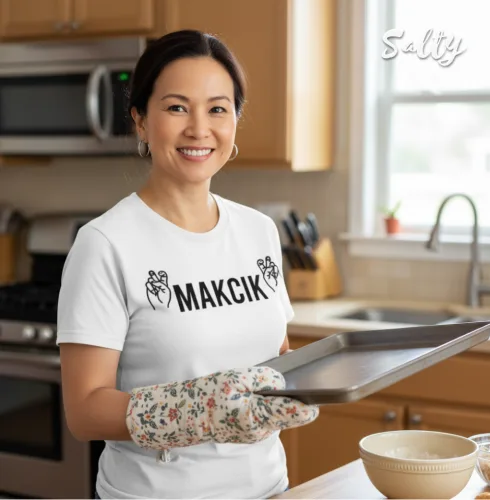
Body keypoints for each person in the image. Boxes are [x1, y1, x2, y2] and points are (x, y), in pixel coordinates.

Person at [57, 30, 319, 500]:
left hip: (269, 490)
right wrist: (198, 410)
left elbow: (275, 355)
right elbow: (84, 412)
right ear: (140, 119)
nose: (199, 129)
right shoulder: (105, 244)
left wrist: (315, 379)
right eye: (177, 107)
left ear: (235, 120)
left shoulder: (259, 232)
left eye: (218, 108)